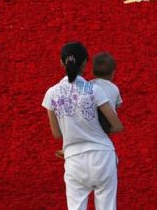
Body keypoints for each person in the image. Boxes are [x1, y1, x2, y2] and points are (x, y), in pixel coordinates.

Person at [42, 42, 124, 210]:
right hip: (102, 156)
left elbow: (57, 134)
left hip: (74, 159)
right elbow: (117, 126)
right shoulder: (94, 89)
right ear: (85, 63)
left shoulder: (51, 93)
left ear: (61, 62)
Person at [55, 51, 123, 159]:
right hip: (107, 124)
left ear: (93, 71)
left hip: (91, 123)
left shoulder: (89, 85)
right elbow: (118, 105)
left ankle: (66, 148)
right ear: (113, 73)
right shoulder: (114, 88)